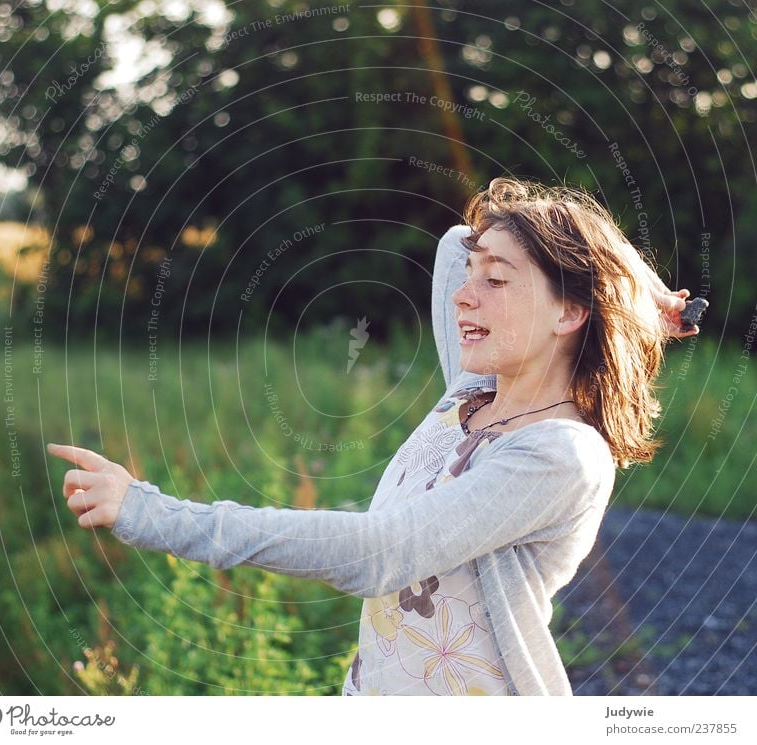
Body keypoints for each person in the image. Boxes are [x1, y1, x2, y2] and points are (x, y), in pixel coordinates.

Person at [48, 177, 701, 696]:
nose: (463, 296)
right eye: (474, 279)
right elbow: (454, 243)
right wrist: (644, 296)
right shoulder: (468, 393)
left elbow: (380, 553)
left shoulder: (561, 455)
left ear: (570, 310)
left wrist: (151, 512)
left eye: (496, 280)